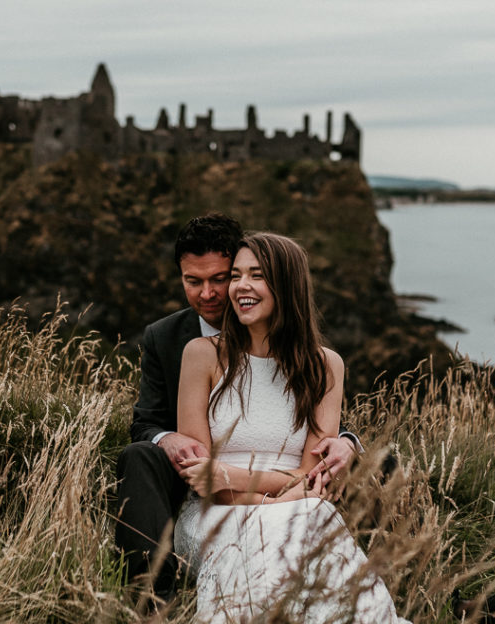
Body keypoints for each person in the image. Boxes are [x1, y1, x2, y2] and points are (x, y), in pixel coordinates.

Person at [173, 233, 440, 624]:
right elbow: (200, 479)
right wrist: (272, 493)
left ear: (287, 285)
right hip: (212, 518)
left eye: (257, 275)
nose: (240, 286)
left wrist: (238, 477)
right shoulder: (202, 356)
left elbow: (310, 476)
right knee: (306, 518)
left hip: (296, 510)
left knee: (310, 519)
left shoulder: (325, 366)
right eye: (236, 275)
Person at [115, 213, 359, 603]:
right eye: (193, 282)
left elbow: (310, 455)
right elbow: (153, 427)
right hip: (205, 490)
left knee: (365, 483)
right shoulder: (180, 344)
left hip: (289, 495)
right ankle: (151, 599)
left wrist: (347, 441)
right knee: (140, 455)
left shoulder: (322, 363)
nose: (210, 294)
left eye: (221, 278)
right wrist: (169, 439)